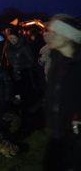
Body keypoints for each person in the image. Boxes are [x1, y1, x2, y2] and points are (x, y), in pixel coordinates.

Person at [42, 14, 81, 170]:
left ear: (68, 36)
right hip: (56, 130)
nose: (49, 35)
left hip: (75, 135)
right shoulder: (57, 59)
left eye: (55, 32)